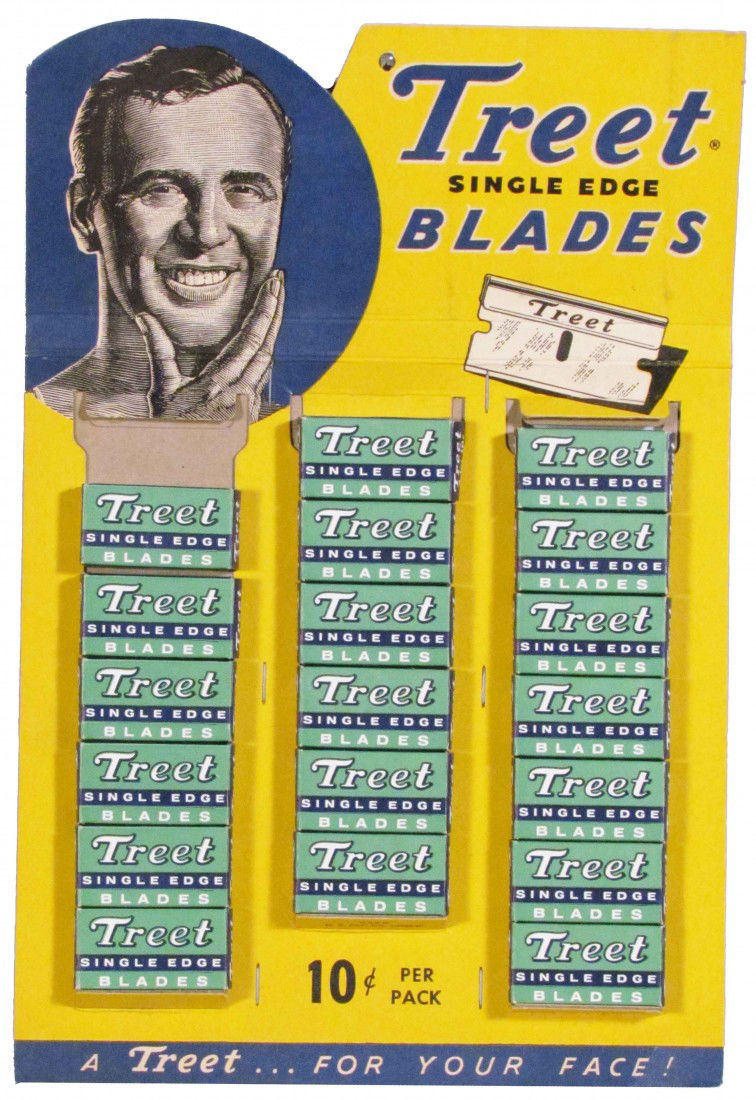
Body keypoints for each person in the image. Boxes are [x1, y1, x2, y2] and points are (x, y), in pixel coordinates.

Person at [35, 45, 291, 420]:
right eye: (162, 189)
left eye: (244, 190)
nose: (206, 232)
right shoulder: (24, 422)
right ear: (84, 215)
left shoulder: (307, 431)